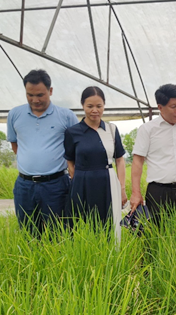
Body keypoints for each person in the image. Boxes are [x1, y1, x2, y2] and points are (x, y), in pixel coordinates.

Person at [7, 69, 79, 236]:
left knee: (59, 233)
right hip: (24, 185)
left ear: (50, 91)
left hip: (56, 184)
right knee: (28, 232)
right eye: (29, 95)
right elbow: (15, 143)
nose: (35, 100)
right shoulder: (15, 115)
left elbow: (75, 148)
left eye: (40, 95)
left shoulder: (66, 116)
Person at [129, 84, 176, 228]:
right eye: (173, 106)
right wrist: (135, 193)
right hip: (158, 192)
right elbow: (137, 161)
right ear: (160, 107)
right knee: (156, 235)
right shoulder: (148, 129)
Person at [63, 86, 127, 239]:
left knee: (108, 225)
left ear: (104, 105)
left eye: (99, 106)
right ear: (83, 106)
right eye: (89, 106)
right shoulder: (72, 132)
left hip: (107, 182)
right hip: (82, 184)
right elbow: (70, 162)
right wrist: (78, 180)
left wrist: (122, 188)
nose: (94, 110)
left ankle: (110, 257)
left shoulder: (111, 129)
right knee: (79, 226)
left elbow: (119, 160)